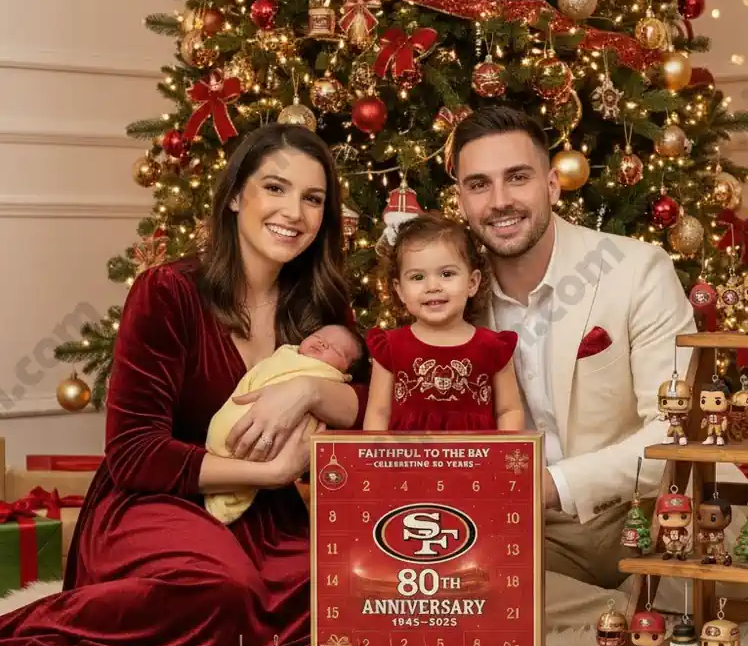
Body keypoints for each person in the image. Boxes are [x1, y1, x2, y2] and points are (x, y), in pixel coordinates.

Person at [0, 124, 366, 646]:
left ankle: (238, 632)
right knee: (222, 588)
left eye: (313, 198)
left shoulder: (319, 307)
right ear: (236, 195)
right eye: (275, 188)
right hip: (155, 503)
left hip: (265, 520)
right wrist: (271, 472)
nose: (293, 211)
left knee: (349, 586)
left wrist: (309, 389)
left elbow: (370, 408)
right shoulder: (167, 292)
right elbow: (134, 453)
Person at [449, 106, 698, 613]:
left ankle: (609, 611)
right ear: (461, 201)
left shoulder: (635, 269)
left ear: (552, 185)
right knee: (449, 581)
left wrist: (551, 484)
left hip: (644, 507)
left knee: (736, 547)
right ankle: (621, 614)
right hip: (535, 533)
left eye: (517, 178)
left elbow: (676, 433)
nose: (500, 202)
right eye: (479, 185)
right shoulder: (451, 298)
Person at [363, 212, 523, 432]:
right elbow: (378, 413)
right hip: (406, 463)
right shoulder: (390, 347)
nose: (432, 286)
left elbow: (508, 410)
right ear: (400, 290)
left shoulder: (493, 347)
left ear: (472, 283)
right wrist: (374, 461)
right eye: (417, 277)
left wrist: (503, 459)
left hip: (476, 463)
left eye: (447, 274)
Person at [204, 323, 364, 525]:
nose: (323, 344)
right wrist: (276, 472)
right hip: (215, 449)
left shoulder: (330, 377)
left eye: (334, 348)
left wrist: (310, 390)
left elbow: (373, 403)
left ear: (346, 373)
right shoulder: (285, 356)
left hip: (276, 490)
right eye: (318, 337)